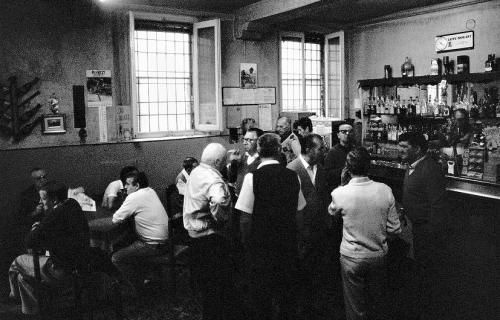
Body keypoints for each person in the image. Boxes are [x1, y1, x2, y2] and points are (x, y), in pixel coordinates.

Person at [236, 133, 306, 320]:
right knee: (287, 293)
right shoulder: (293, 176)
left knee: (262, 294)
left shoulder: (252, 177)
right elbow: (299, 213)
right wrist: (298, 239)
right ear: (278, 150)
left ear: (258, 151)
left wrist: (246, 242)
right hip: (287, 242)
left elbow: (245, 217)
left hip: (261, 245)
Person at [329, 147, 401, 320]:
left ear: (347, 168)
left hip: (351, 257)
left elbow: (332, 213)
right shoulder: (385, 190)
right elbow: (395, 229)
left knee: (355, 307)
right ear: (369, 167)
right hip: (378, 255)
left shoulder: (340, 193)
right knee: (377, 303)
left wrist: (341, 183)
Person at [9, 181, 90, 315]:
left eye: (43, 198)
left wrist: (36, 227)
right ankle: (38, 310)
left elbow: (30, 241)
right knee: (22, 278)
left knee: (17, 262)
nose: (40, 202)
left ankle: (14, 298)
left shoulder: (55, 213)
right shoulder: (72, 204)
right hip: (80, 265)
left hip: (62, 270)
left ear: (54, 200)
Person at [183, 143, 242, 320]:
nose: (225, 164)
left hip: (194, 236)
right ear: (217, 161)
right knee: (219, 286)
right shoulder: (214, 180)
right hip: (211, 238)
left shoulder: (197, 172)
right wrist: (222, 220)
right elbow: (218, 201)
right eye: (223, 161)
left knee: (207, 285)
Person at [287, 134, 330, 318]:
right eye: (321, 148)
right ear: (308, 149)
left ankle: (316, 305)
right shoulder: (291, 169)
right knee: (301, 273)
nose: (324, 150)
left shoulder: (321, 168)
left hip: (319, 231)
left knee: (318, 271)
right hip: (301, 232)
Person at [111, 171, 169, 291]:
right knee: (127, 242)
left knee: (117, 258)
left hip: (151, 245)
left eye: (127, 184)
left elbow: (116, 218)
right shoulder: (150, 191)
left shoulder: (134, 197)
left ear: (136, 186)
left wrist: (126, 200)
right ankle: (146, 278)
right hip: (166, 242)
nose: (125, 187)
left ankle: (134, 288)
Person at [399, 132, 447, 264]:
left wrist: (430, 234)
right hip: (415, 227)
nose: (400, 150)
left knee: (425, 266)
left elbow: (437, 205)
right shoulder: (412, 165)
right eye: (399, 146)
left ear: (418, 149)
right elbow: (414, 193)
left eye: (404, 146)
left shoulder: (430, 169)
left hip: (425, 231)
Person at [324, 122, 355, 190]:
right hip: (338, 187)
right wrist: (343, 170)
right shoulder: (332, 152)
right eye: (344, 132)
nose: (347, 134)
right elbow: (327, 174)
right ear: (338, 135)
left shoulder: (356, 151)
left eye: (350, 132)